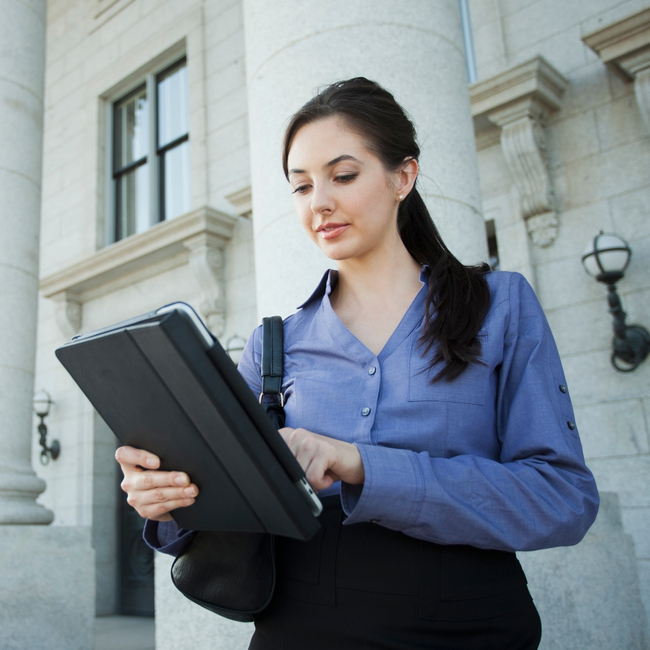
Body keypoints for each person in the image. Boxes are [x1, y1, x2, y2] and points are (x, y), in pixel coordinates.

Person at [116, 77, 599, 649]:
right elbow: (234, 500)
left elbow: (562, 499)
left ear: (403, 177)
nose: (319, 202)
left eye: (343, 176)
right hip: (300, 625)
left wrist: (360, 464)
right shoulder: (273, 344)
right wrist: (167, 498)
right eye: (300, 187)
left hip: (469, 624)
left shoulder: (501, 305)